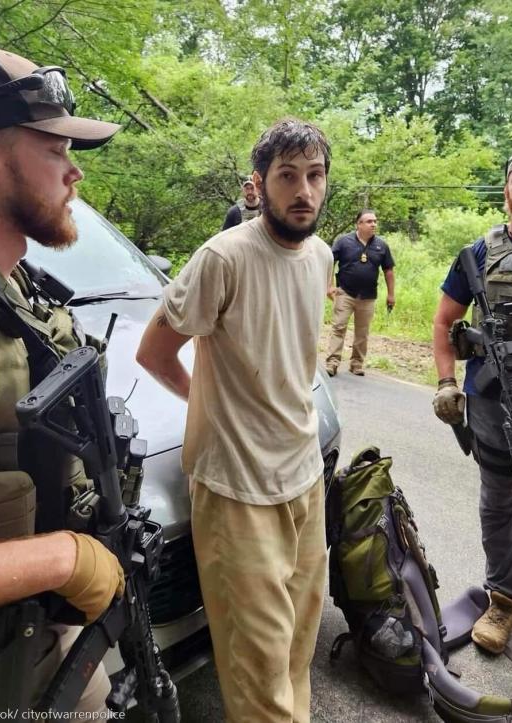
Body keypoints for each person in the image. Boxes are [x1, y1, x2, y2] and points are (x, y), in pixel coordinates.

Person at [0, 46, 124, 713]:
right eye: (54, 150)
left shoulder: (11, 285)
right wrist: (63, 560)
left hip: (25, 651)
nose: (74, 172)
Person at [137, 118, 333, 723]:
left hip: (304, 476)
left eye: (315, 176)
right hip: (237, 485)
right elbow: (154, 351)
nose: (303, 191)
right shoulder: (223, 257)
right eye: (287, 177)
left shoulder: (321, 255)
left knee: (298, 645)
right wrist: (211, 405)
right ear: (259, 183)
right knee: (256, 668)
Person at [432, 146, 512, 655]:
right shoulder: (479, 253)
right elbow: (444, 322)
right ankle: (502, 599)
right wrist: (444, 383)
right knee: (497, 501)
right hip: (490, 398)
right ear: (505, 191)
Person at [325, 209, 395, 377]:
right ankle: (332, 362)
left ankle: (356, 364)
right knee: (339, 327)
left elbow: (388, 270)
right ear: (359, 224)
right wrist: (330, 285)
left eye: (375, 221)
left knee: (362, 332)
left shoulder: (381, 245)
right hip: (345, 293)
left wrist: (391, 294)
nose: (373, 224)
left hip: (368, 296)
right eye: (369, 221)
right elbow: (329, 262)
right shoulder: (343, 242)